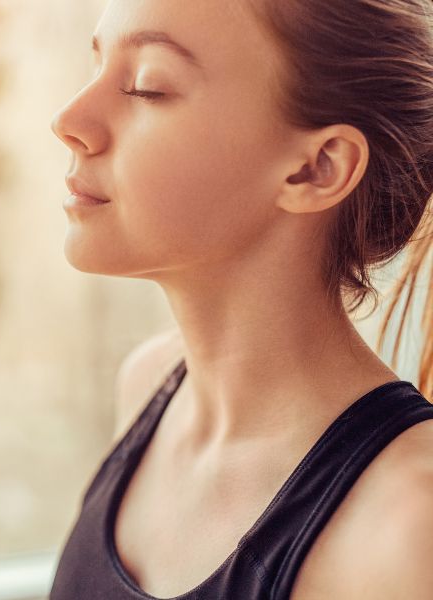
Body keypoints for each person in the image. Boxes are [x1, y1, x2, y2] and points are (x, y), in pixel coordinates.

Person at [48, 0, 433, 598]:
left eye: (147, 87)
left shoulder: (409, 525)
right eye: (95, 64)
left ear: (317, 168)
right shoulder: (149, 385)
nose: (69, 119)